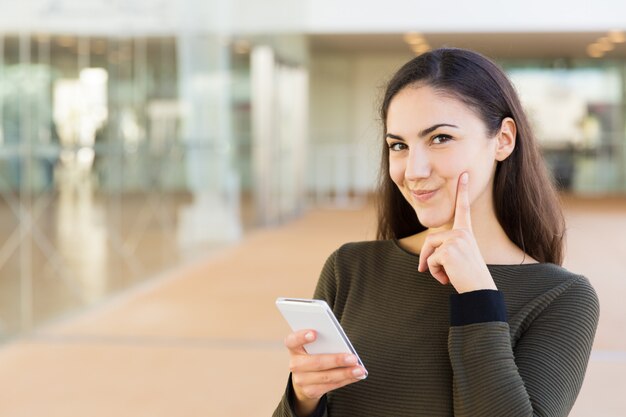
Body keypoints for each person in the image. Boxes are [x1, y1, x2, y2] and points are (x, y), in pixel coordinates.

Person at [273, 48, 600, 417]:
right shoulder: (350, 268)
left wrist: (477, 294)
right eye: (399, 145)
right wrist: (302, 399)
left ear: (504, 139)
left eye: (440, 138)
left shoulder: (561, 297)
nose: (413, 170)